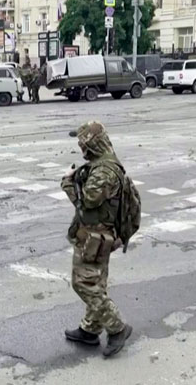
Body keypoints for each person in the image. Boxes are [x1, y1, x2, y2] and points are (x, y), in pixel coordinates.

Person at [61, 121, 132, 357]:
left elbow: (86, 205)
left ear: (91, 144)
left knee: (83, 284)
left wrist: (67, 183)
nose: (80, 147)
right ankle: (90, 330)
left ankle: (117, 328)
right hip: (99, 235)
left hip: (95, 237)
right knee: (96, 283)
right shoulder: (103, 163)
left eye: (82, 142)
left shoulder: (104, 171)